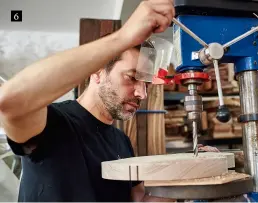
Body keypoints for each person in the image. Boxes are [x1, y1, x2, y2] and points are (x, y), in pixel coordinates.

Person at [0, 0, 219, 201]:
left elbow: (139, 199)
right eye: (132, 77)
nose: (142, 94)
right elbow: (10, 101)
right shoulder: (54, 124)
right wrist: (123, 37)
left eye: (146, 84)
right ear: (97, 72)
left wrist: (187, 177)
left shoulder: (120, 140)